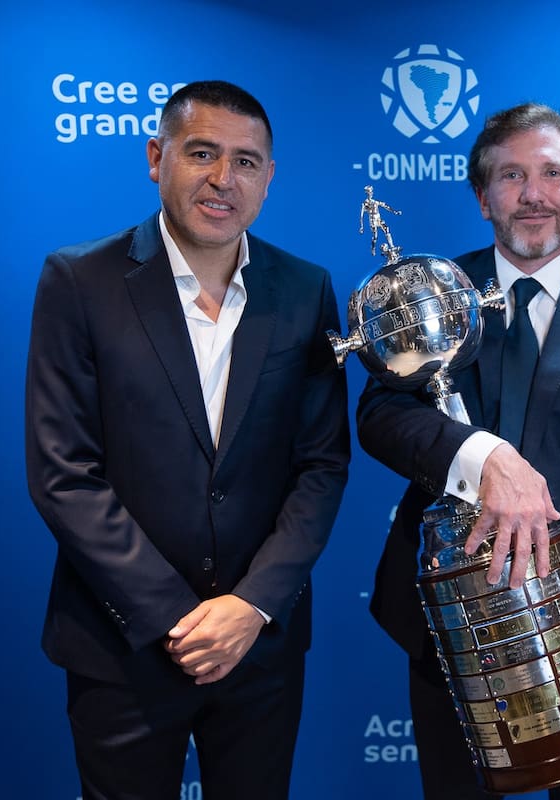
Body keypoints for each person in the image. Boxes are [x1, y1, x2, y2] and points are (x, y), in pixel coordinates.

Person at [25, 80, 350, 799]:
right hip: (123, 643)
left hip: (259, 645)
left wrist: (252, 606)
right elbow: (63, 472)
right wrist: (178, 619)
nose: (223, 178)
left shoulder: (306, 290)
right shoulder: (80, 280)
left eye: (246, 161)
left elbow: (322, 466)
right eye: (202, 153)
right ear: (157, 157)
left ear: (268, 177)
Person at [357, 103, 560, 800]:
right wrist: (480, 456)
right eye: (510, 176)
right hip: (449, 618)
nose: (533, 194)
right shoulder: (431, 294)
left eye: (552, 174)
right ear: (483, 198)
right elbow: (380, 415)